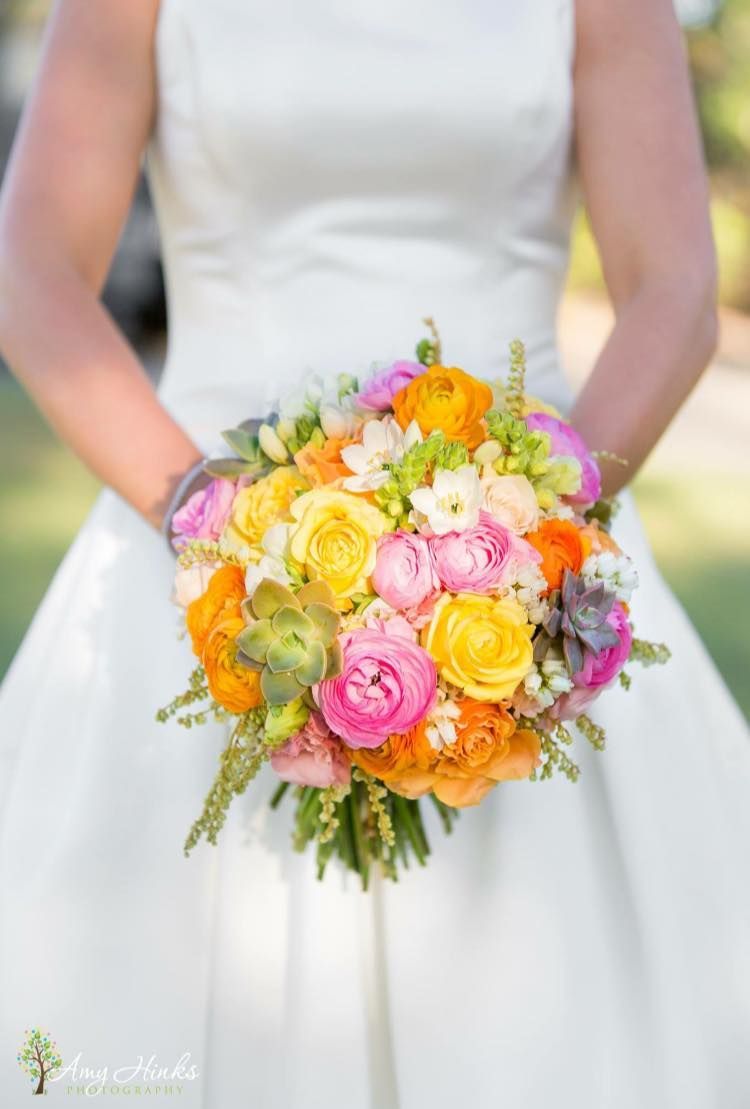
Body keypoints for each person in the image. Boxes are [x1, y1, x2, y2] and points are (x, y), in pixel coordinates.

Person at [0, 1, 748, 1105]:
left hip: (532, 565)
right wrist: (220, 523)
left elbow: (676, 288)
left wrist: (519, 546)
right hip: (198, 555)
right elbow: (33, 274)